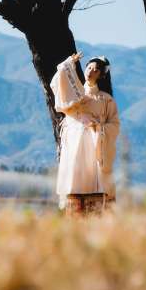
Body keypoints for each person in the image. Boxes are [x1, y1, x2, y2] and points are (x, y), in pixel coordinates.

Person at [50, 51, 120, 209]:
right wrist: (68, 63)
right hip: (74, 143)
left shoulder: (106, 99)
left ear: (101, 75)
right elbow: (58, 81)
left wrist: (99, 127)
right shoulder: (75, 94)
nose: (91, 71)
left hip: (95, 144)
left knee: (94, 181)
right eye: (89, 67)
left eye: (96, 70)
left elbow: (115, 125)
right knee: (74, 182)